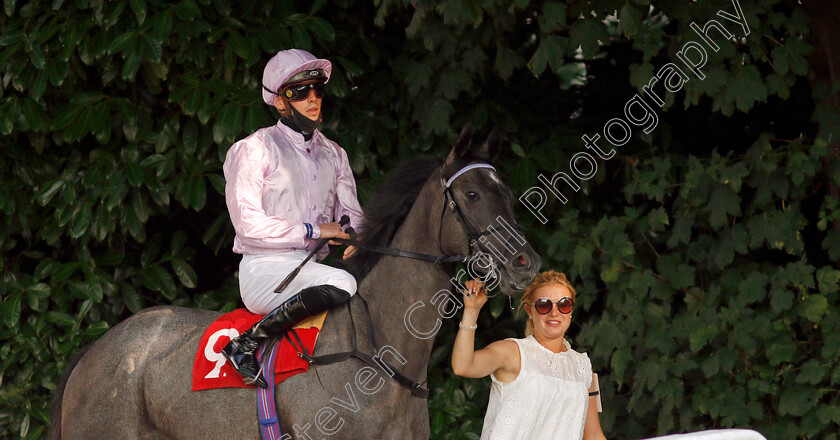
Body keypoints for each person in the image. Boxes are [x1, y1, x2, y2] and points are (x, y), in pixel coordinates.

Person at [220, 49, 364, 388]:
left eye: (317, 89)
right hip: (266, 270)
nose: (312, 99)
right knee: (345, 284)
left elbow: (353, 215)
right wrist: (314, 229)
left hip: (311, 269)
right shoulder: (254, 149)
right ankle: (246, 342)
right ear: (280, 102)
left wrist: (354, 233)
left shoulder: (334, 153)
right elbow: (247, 226)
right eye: (300, 92)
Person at [451, 271, 607, 440]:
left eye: (564, 304)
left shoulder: (582, 365)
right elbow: (463, 366)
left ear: (571, 311)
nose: (554, 313)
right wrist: (471, 311)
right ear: (529, 310)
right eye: (544, 305)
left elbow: (593, 435)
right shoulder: (512, 352)